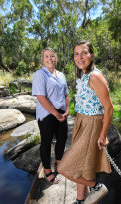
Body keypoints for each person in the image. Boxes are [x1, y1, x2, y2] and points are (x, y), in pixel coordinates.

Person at [58, 40, 113, 204]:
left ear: (92, 55)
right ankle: (79, 203)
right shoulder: (83, 75)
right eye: (76, 54)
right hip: (81, 122)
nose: (79, 57)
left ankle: (96, 187)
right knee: (82, 167)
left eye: (83, 53)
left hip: (92, 124)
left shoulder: (95, 76)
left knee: (63, 168)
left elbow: (109, 108)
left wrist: (103, 135)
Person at [32, 47, 70, 184]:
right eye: (46, 56)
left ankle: (58, 164)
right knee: (46, 143)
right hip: (47, 114)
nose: (50, 58)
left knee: (62, 138)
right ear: (43, 60)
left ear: (56, 58)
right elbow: (41, 98)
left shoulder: (61, 75)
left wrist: (67, 111)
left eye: (52, 56)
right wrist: (55, 114)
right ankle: (47, 171)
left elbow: (66, 95)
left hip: (61, 113)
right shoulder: (39, 75)